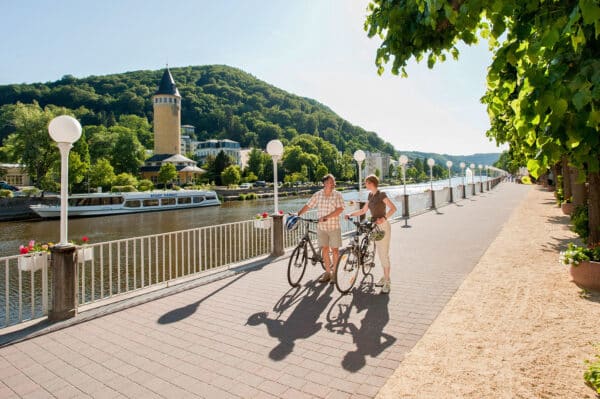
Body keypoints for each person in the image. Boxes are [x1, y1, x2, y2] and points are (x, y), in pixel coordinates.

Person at [344, 175, 397, 294]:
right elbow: (363, 211)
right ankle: (385, 276)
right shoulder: (370, 195)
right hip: (374, 227)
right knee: (380, 253)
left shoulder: (381, 194)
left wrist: (383, 218)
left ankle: (387, 282)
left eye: (366, 183)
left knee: (383, 254)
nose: (365, 184)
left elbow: (393, 208)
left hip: (382, 227)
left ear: (371, 183)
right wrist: (350, 214)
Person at [297, 174, 345, 283]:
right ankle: (327, 273)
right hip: (321, 228)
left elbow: (340, 209)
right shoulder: (318, 195)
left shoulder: (338, 195)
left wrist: (326, 217)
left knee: (335, 251)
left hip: (334, 227)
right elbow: (308, 205)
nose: (333, 184)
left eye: (334, 182)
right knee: (325, 250)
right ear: (325, 183)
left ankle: (334, 274)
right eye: (331, 182)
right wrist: (298, 214)